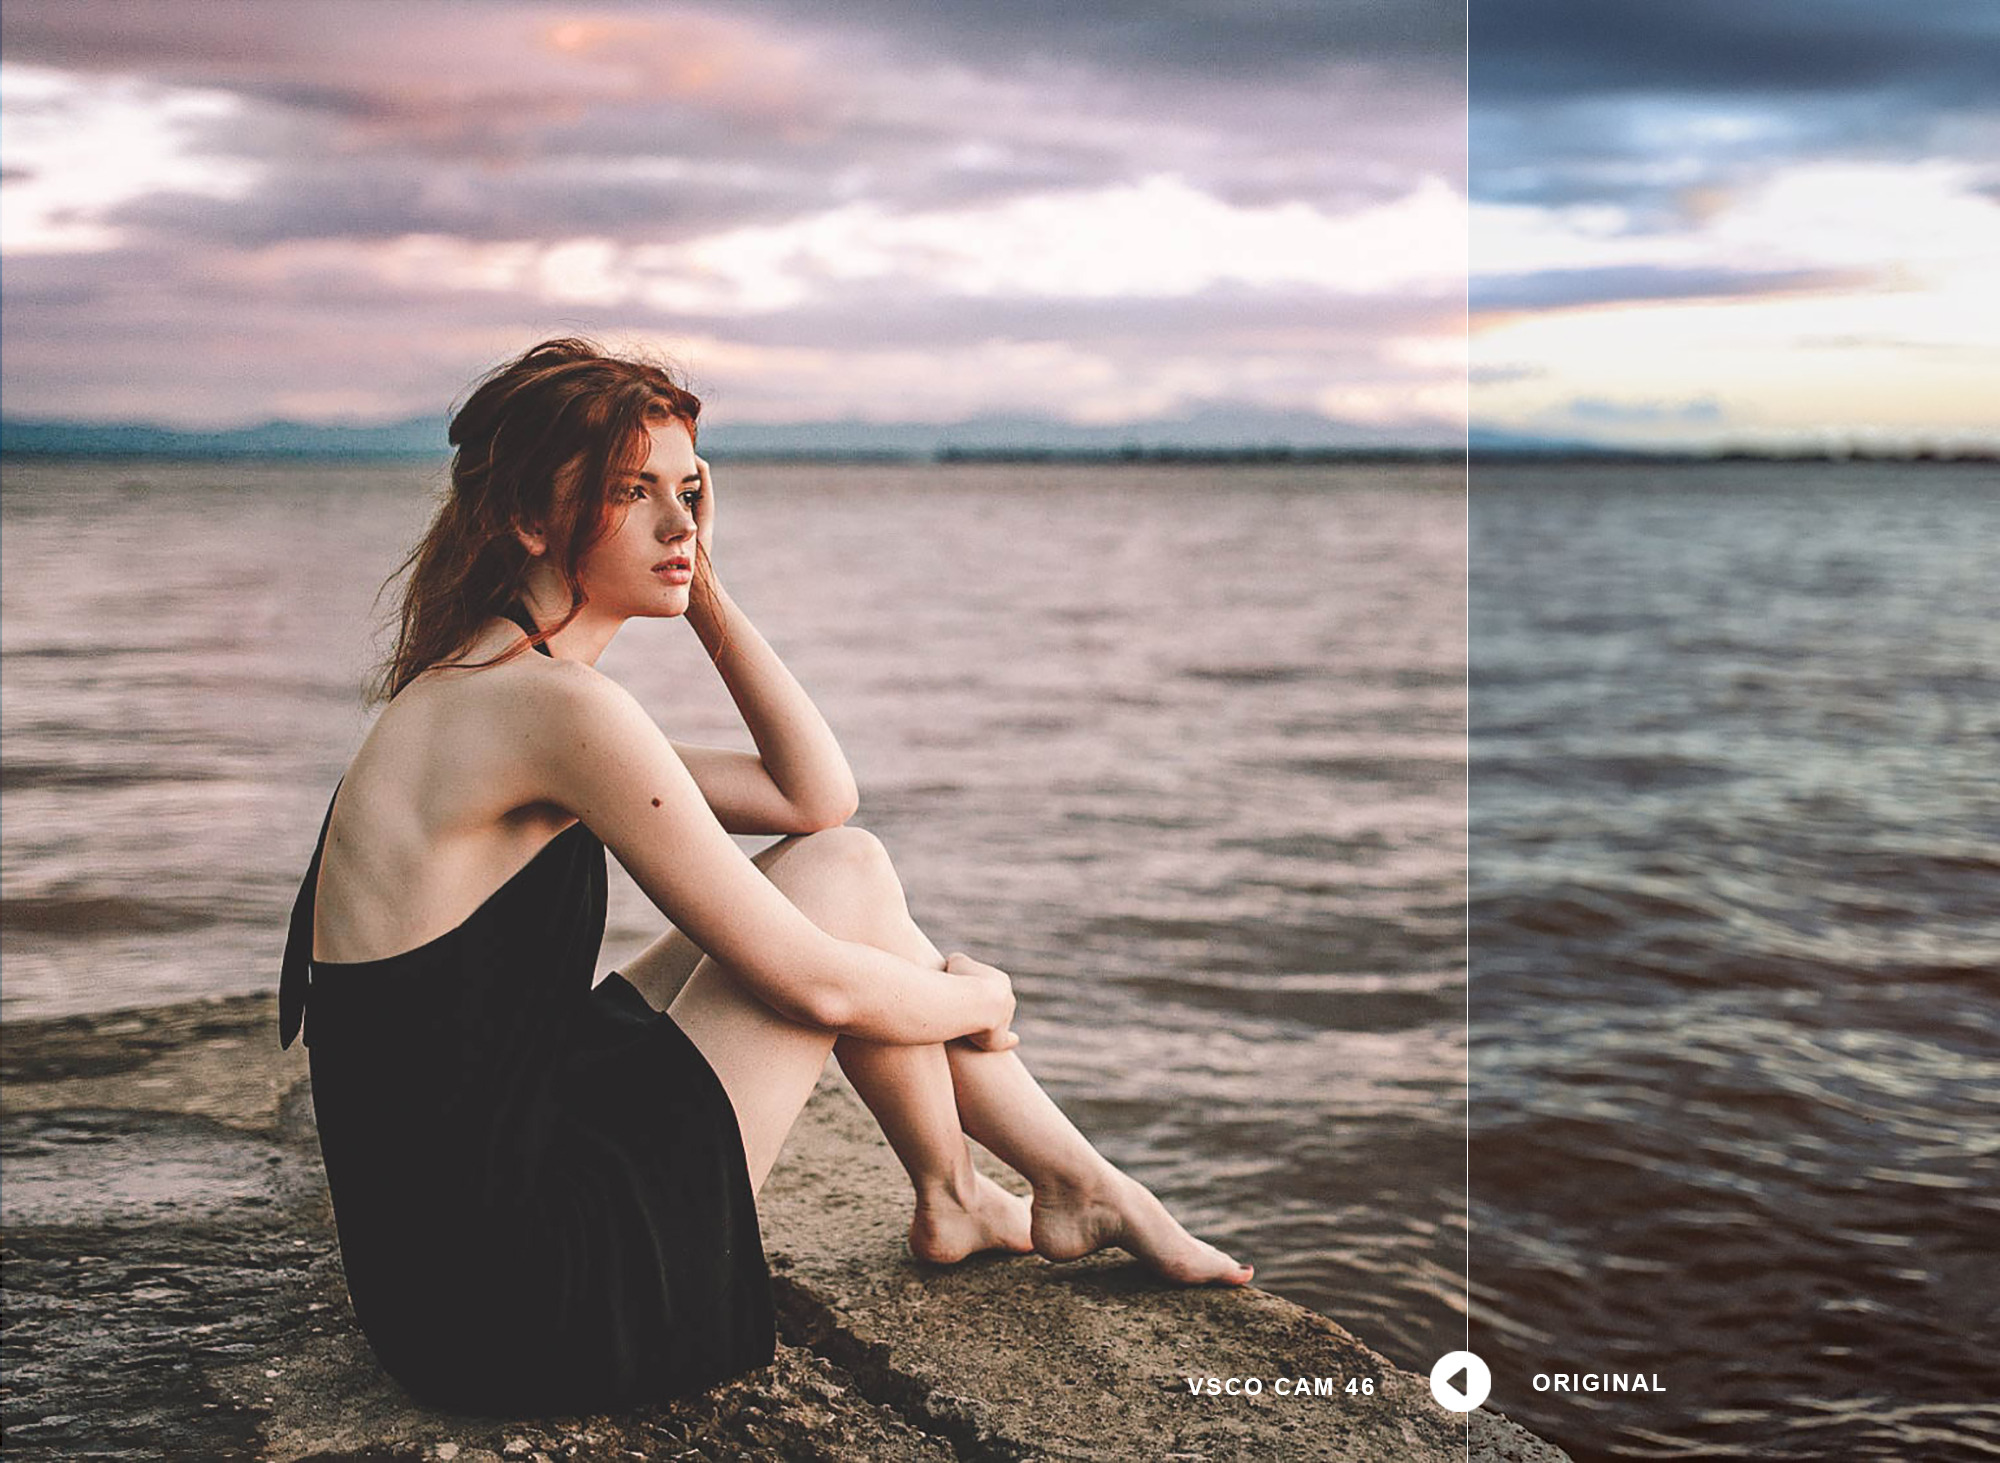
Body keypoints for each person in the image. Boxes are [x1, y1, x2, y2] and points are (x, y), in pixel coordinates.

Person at [278, 336, 1251, 1417]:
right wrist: (983, 997)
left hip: (456, 1258)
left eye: (687, 491)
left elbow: (810, 798)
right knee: (837, 897)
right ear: (528, 518)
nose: (677, 523)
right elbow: (816, 988)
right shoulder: (551, 709)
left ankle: (968, 1192)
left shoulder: (494, 686)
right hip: (524, 1296)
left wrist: (707, 594)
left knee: (840, 862)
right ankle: (1054, 1186)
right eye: (627, 492)